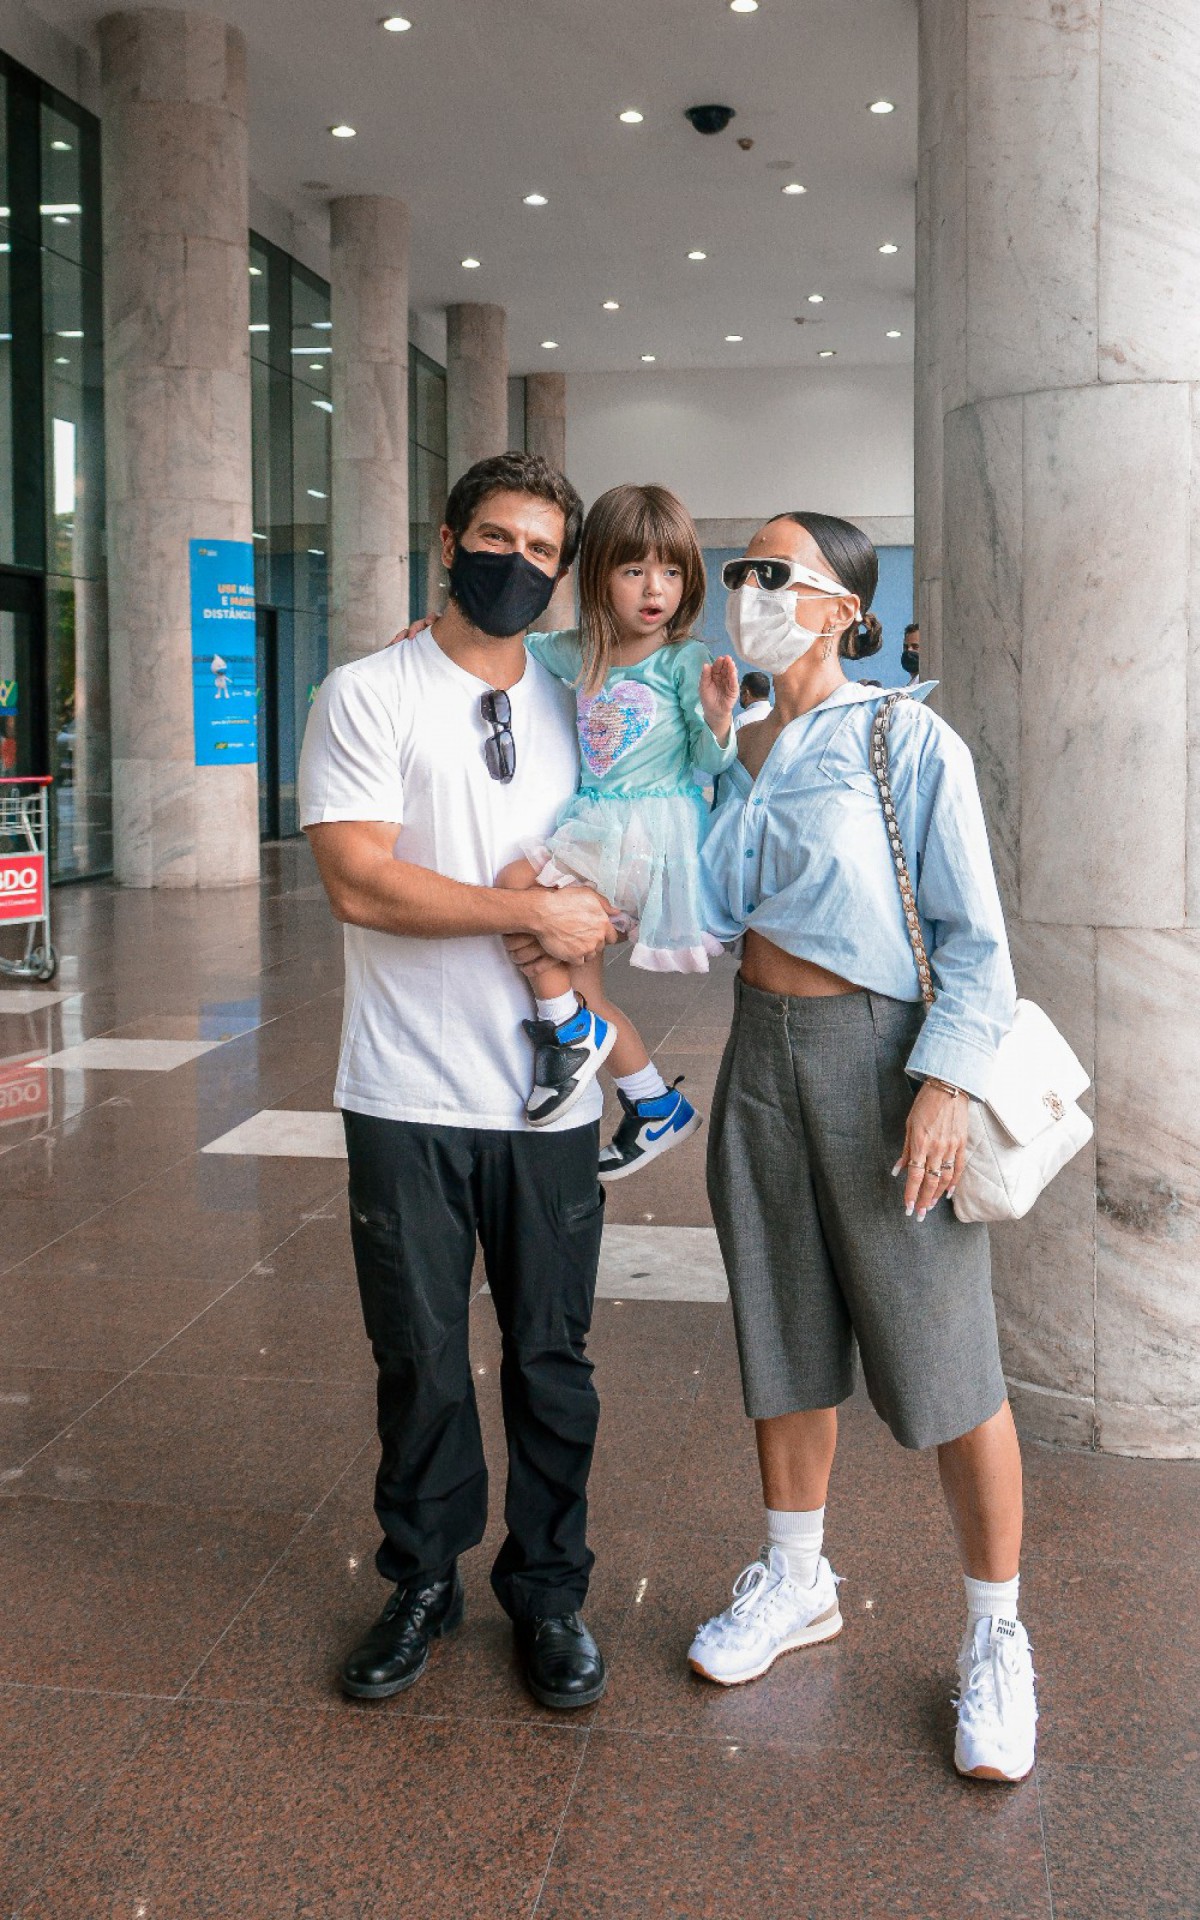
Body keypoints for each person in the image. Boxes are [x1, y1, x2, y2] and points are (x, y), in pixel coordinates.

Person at [688, 511, 1039, 1785]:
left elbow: (976, 937)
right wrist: (712, 752)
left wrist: (944, 1082)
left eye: (776, 575)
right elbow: (709, 908)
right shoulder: (746, 739)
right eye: (742, 572)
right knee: (781, 1332)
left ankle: (996, 1636)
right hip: (759, 1050)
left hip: (882, 1058)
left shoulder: (905, 736)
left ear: (844, 608)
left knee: (947, 1356)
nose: (749, 591)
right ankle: (797, 1579)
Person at [298, 451, 616, 1713]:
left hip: (551, 1098)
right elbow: (359, 880)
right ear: (446, 542)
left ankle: (549, 1593)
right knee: (421, 1357)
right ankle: (423, 1580)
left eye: (541, 552)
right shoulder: (367, 692)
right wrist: (525, 915)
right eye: (497, 539)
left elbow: (636, 841)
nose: (516, 565)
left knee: (551, 1360)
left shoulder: (578, 707)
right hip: (405, 1089)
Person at [496, 483, 740, 1183]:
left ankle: (568, 1034)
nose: (654, 589)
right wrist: (430, 630)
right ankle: (654, 1104)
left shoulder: (683, 661)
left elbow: (708, 764)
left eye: (671, 572)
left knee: (516, 885)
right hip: (599, 826)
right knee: (592, 995)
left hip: (649, 836)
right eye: (634, 570)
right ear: (598, 575)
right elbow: (508, 646)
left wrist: (718, 718)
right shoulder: (576, 652)